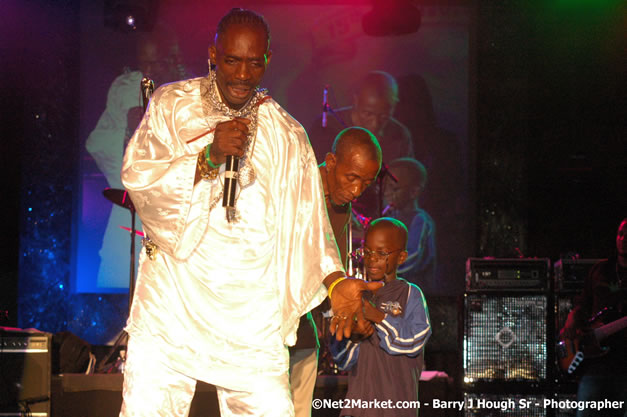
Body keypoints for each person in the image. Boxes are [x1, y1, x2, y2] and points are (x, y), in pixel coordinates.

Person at [118, 8, 381, 417]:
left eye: (254, 62)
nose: (242, 74)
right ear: (213, 54)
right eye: (232, 60)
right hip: (172, 305)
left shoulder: (287, 135)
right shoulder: (173, 105)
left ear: (268, 60)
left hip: (251, 314)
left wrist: (334, 283)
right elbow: (139, 179)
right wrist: (208, 155)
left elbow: (307, 224)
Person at [290, 127, 382, 417]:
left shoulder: (342, 205)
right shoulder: (296, 189)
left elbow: (333, 272)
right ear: (330, 162)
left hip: (302, 333)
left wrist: (355, 313)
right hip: (267, 331)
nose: (356, 191)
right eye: (351, 178)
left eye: (366, 183)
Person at [85, 29, 186, 288]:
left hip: (174, 212)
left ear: (173, 59)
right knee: (120, 283)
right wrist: (127, 130)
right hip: (129, 210)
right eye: (146, 63)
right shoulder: (125, 88)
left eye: (159, 62)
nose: (151, 70)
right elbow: (96, 142)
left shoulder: (189, 92)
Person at [330, 218, 431, 417]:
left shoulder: (410, 293)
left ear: (401, 257)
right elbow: (342, 360)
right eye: (367, 252)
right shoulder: (357, 295)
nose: (372, 258)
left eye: (382, 253)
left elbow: (414, 341)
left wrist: (377, 316)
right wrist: (354, 336)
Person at [560, 218, 627, 417]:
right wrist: (571, 319)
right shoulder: (600, 270)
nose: (623, 239)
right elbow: (582, 304)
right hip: (596, 364)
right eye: (621, 234)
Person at [308, 71, 414, 165]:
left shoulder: (400, 135)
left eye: (384, 116)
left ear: (394, 106)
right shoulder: (327, 126)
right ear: (356, 100)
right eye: (368, 114)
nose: (375, 124)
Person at [383, 158, 436, 294]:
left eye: (394, 188)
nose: (388, 193)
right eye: (386, 187)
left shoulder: (420, 220)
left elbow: (413, 257)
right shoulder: (391, 217)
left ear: (414, 192)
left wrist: (383, 268)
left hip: (417, 294)